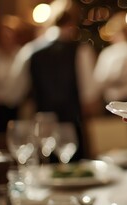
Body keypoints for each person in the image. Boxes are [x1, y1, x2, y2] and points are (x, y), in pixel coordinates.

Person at [29, 3, 99, 161]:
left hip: (43, 121)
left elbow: (18, 89)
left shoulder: (32, 50)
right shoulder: (81, 50)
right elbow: (89, 94)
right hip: (71, 123)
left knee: (46, 166)